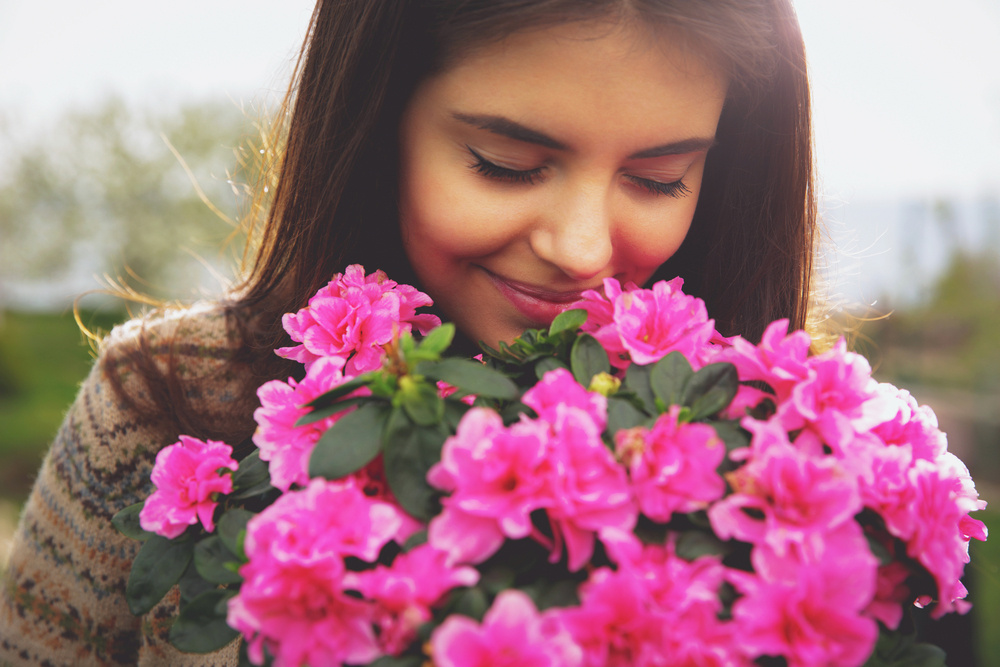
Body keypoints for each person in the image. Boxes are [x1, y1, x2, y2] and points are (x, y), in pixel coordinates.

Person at [0, 0, 817, 664]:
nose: (581, 249)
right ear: (376, 122)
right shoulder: (162, 405)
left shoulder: (791, 467)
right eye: (504, 162)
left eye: (657, 179)